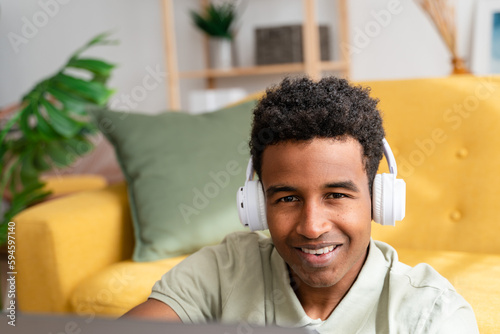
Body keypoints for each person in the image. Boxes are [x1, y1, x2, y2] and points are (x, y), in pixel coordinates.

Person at [122, 76, 478, 333]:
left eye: (336, 195)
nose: (311, 226)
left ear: (378, 200)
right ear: (258, 207)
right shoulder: (222, 271)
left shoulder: (431, 314)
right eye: (288, 198)